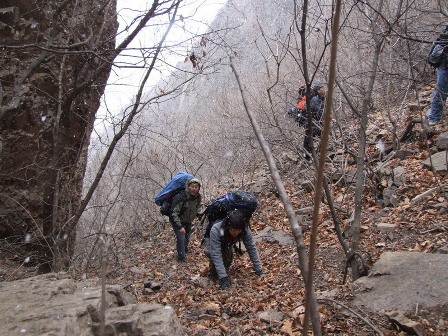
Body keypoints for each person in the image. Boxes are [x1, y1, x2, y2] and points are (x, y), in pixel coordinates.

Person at [205, 209, 263, 289]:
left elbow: (251, 248)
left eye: (238, 230)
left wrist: (259, 270)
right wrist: (223, 277)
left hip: (229, 242)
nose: (235, 233)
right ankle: (213, 275)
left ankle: (223, 272)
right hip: (215, 241)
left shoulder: (245, 229)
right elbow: (216, 254)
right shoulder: (216, 229)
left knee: (228, 260)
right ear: (228, 226)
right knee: (212, 255)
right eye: (233, 230)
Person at [169, 177, 202, 262]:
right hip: (177, 221)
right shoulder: (181, 197)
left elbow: (197, 208)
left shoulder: (198, 197)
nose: (194, 189)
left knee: (187, 237)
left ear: (198, 188)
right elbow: (174, 213)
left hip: (188, 221)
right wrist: (180, 227)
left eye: (196, 187)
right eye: (192, 186)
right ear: (188, 186)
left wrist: (201, 215)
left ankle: (184, 250)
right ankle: (181, 259)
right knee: (181, 239)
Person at [428, 25, 448, 126]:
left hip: (444, 66)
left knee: (441, 92)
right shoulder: (445, 34)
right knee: (441, 92)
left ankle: (434, 118)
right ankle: (434, 118)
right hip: (445, 66)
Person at [303, 83, 326, 160]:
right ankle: (307, 158)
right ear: (318, 91)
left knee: (310, 140)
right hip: (313, 123)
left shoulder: (320, 98)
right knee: (309, 141)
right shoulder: (315, 99)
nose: (324, 89)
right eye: (322, 88)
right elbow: (318, 112)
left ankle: (311, 156)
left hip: (316, 123)